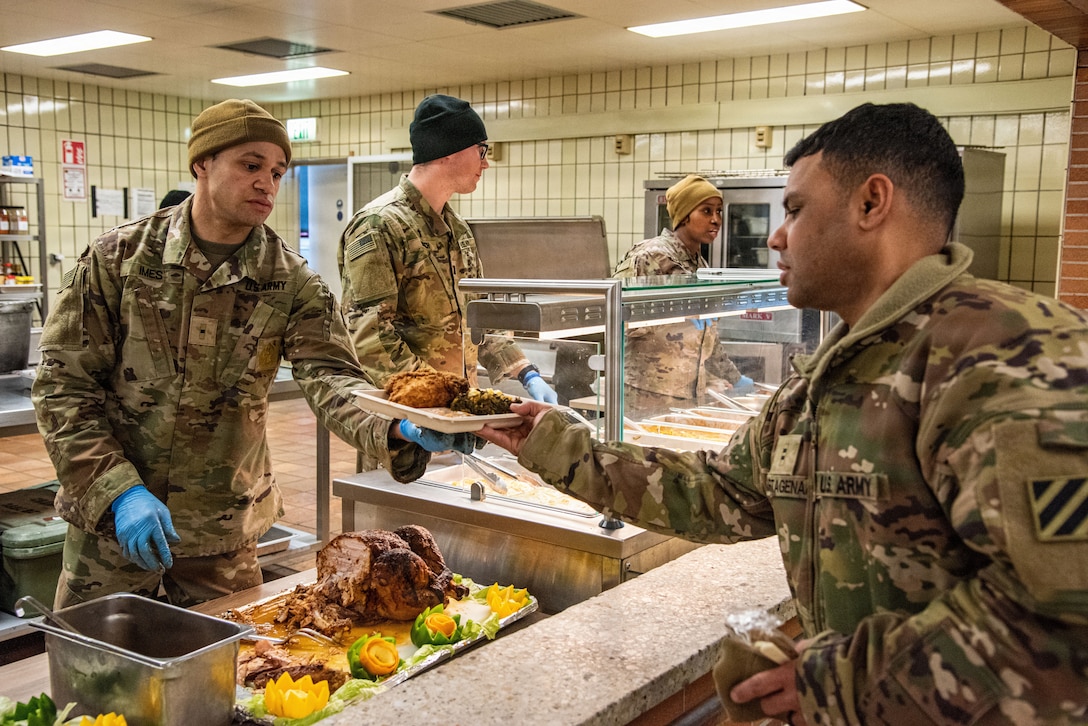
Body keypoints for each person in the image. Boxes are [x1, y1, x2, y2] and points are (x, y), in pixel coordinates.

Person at [479, 102, 1088, 724]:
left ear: (872, 203)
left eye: (795, 210)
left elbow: (1063, 621)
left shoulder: (1013, 357)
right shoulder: (830, 373)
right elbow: (720, 493)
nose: (775, 236)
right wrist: (551, 442)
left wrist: (836, 682)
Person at [32, 99, 477, 609]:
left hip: (223, 531)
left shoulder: (290, 281)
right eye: (251, 166)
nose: (267, 182)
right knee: (96, 673)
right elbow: (63, 388)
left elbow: (332, 377)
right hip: (112, 529)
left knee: (231, 676)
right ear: (202, 164)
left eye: (278, 171)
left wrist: (398, 423)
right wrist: (118, 490)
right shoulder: (120, 261)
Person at [337, 94, 556, 403]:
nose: (486, 163)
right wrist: (436, 397)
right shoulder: (379, 225)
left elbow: (478, 318)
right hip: (406, 416)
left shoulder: (458, 230)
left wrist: (525, 372)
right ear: (447, 151)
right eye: (481, 150)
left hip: (455, 406)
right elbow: (370, 336)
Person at [613, 174, 753, 418]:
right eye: (706, 211)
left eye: (719, 211)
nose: (716, 220)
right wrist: (677, 318)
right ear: (685, 215)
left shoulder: (700, 265)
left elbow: (708, 335)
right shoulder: (651, 256)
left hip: (689, 392)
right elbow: (619, 319)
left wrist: (734, 377)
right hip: (646, 393)